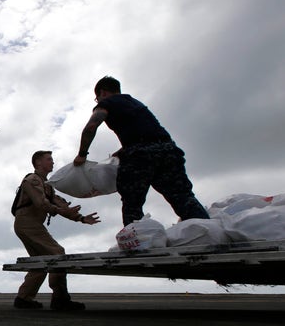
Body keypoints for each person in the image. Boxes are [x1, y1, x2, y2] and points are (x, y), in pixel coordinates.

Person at [74, 76, 210, 226]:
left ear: (103, 93)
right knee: (183, 197)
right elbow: (145, 131)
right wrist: (125, 149)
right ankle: (209, 232)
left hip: (140, 156)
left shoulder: (107, 103)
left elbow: (91, 127)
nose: (98, 101)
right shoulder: (136, 104)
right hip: (168, 151)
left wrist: (82, 154)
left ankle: (137, 241)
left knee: (132, 203)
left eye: (97, 98)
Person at [13, 150, 100, 310]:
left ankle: (24, 298)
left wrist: (80, 218)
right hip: (28, 223)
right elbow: (41, 203)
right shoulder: (31, 180)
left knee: (40, 262)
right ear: (38, 163)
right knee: (58, 254)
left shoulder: (47, 186)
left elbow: (59, 204)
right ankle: (60, 298)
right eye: (49, 159)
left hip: (30, 224)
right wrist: (63, 211)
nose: (52, 162)